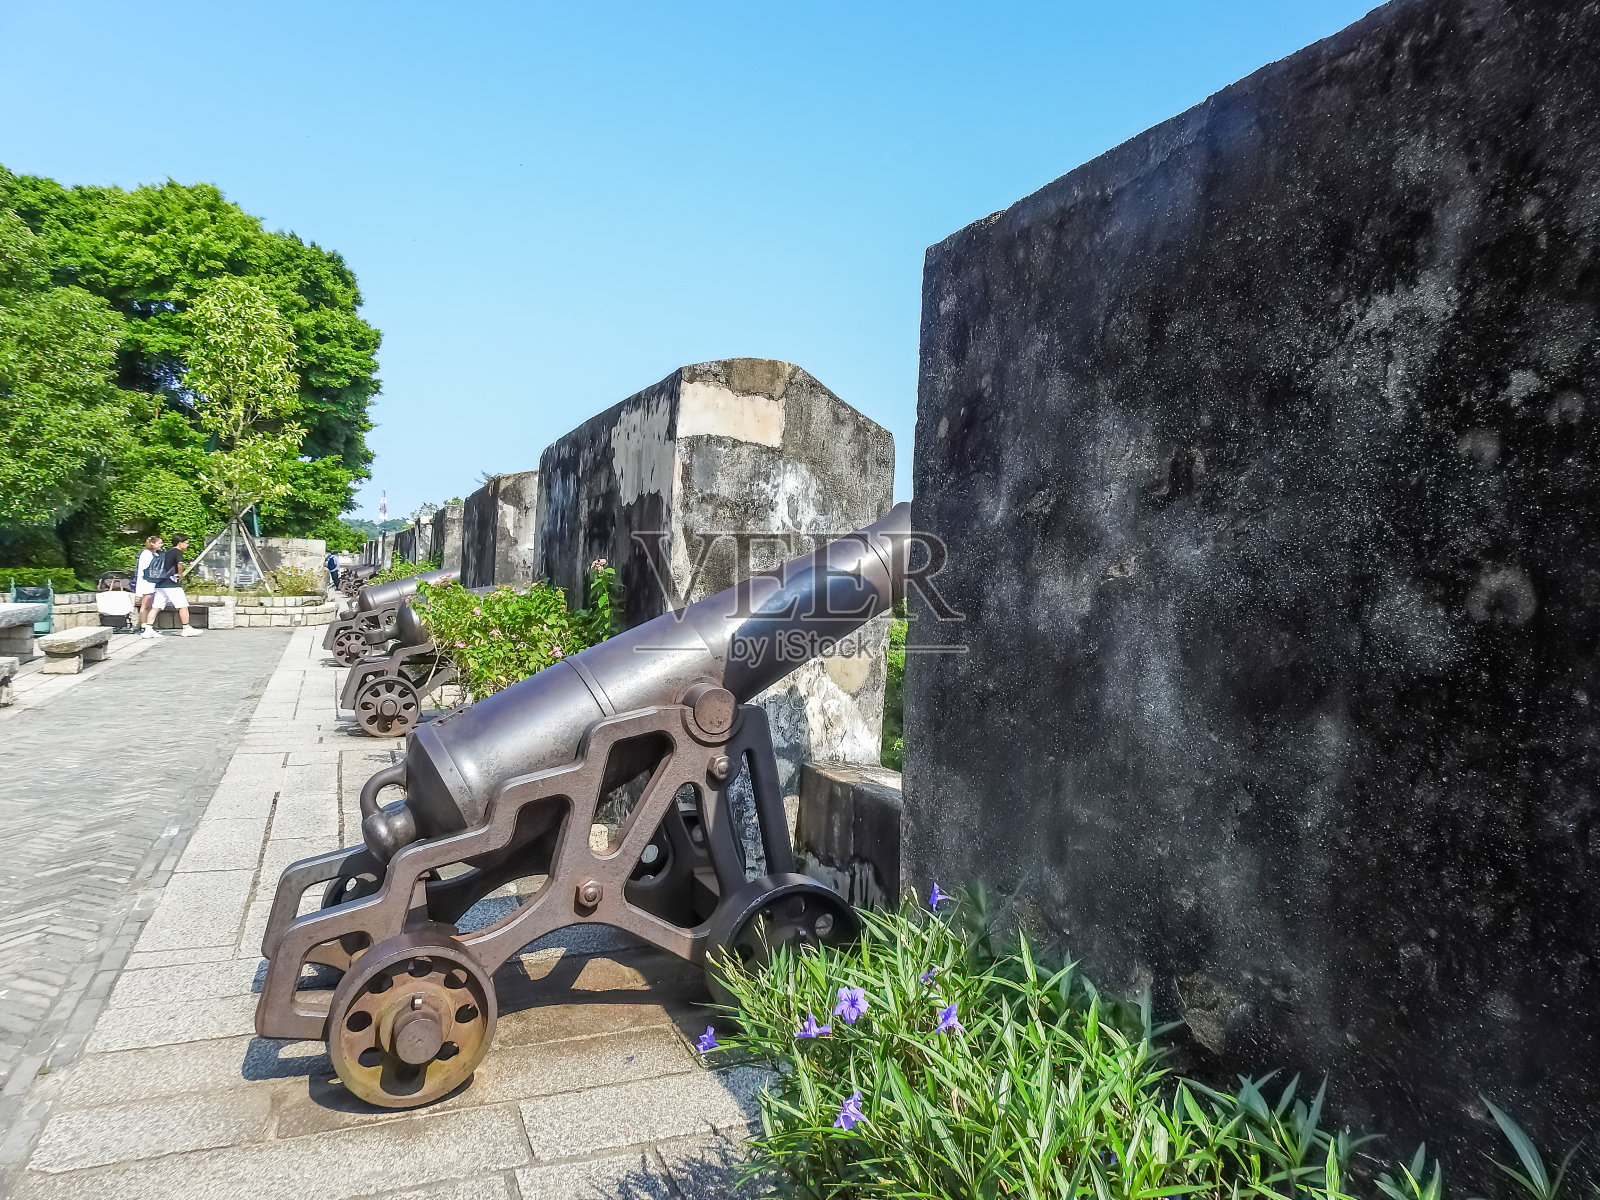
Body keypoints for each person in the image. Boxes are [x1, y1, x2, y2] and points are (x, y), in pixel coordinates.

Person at [144, 534, 202, 638]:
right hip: (171, 584)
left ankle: (148, 630)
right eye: (186, 543)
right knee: (183, 605)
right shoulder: (177, 551)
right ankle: (186, 628)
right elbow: (180, 563)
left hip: (160, 583)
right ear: (180, 543)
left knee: (156, 607)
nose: (187, 545)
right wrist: (180, 574)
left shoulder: (167, 551)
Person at [133, 535, 162, 635]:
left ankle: (149, 625)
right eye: (159, 543)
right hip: (147, 581)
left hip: (153, 582)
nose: (161, 545)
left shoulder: (156, 554)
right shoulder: (146, 553)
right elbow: (147, 568)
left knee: (151, 605)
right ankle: (143, 625)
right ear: (152, 543)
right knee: (145, 605)